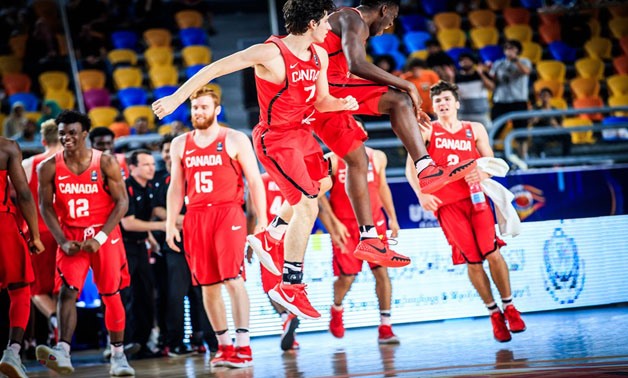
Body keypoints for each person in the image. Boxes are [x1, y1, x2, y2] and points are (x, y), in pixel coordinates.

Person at [152, 0, 358, 326]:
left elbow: (321, 100)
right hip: (274, 139)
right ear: (311, 24)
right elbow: (213, 69)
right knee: (308, 207)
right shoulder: (270, 54)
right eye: (325, 22)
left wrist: (342, 102)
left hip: (301, 135)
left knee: (325, 182)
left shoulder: (318, 55)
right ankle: (290, 284)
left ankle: (271, 235)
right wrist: (177, 98)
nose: (329, 28)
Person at [247, 0, 476, 284]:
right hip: (324, 93)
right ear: (384, 9)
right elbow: (356, 64)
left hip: (323, 101)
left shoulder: (351, 27)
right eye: (392, 17)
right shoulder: (351, 18)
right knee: (399, 98)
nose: (391, 25)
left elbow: (350, 69)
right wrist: (405, 86)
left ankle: (364, 237)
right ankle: (426, 168)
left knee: (358, 161)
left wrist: (401, 106)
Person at [405, 81, 526, 343]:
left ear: (457, 103)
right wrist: (422, 193)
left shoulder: (475, 129)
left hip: (476, 198)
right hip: (448, 205)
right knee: (473, 260)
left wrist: (483, 172)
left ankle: (510, 306)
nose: (443, 104)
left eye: (447, 99)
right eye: (437, 101)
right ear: (433, 107)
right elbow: (410, 167)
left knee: (492, 252)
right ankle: (494, 314)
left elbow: (490, 162)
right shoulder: (427, 130)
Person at [160, 86, 268, 368]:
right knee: (207, 286)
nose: (199, 112)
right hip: (195, 216)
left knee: (233, 279)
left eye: (204, 107)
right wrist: (171, 222)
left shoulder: (234, 138)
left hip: (228, 213)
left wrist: (262, 220)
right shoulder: (179, 143)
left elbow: (255, 181)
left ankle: (244, 347)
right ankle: (224, 346)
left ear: (217, 109)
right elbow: (175, 187)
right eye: (195, 108)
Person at [35, 110, 135, 376]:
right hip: (71, 236)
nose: (67, 138)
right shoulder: (48, 167)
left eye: (72, 133)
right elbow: (45, 208)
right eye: (62, 133)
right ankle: (63, 352)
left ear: (84, 134)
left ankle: (118, 355)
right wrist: (62, 240)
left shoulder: (106, 162)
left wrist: (100, 237)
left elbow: (122, 202)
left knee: (111, 294)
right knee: (67, 292)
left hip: (104, 235)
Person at [318, 134, 400, 344]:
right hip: (347, 225)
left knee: (382, 272)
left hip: (375, 223)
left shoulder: (377, 157)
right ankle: (336, 308)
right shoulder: (333, 159)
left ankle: (385, 325)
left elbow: (382, 187)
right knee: (347, 277)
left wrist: (392, 218)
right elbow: (318, 194)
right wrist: (334, 223)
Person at [152, 134, 218, 357]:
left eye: (172, 149)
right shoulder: (160, 178)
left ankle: (210, 340)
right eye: (165, 150)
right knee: (175, 294)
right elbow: (157, 209)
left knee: (203, 293)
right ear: (162, 154)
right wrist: (179, 219)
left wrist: (185, 219)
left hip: (200, 242)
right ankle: (175, 342)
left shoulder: (194, 172)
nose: (169, 154)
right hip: (176, 246)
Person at [0, 138, 45, 378]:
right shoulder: (6, 147)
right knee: (19, 290)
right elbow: (25, 195)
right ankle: (13, 352)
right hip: (3, 225)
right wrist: (35, 236)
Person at [245, 172, 301, 351]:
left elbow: (251, 214)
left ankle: (287, 318)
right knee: (290, 285)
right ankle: (291, 331)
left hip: (270, 239)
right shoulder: (294, 177)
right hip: (294, 239)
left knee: (271, 289)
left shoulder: (258, 180)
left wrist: (250, 243)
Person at [119, 149, 165, 356]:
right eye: (146, 164)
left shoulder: (149, 187)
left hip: (140, 246)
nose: (151, 168)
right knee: (126, 295)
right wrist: (164, 226)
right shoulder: (126, 187)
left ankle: (144, 343)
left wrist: (151, 237)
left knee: (146, 294)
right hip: (124, 247)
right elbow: (128, 223)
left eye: (152, 164)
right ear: (132, 167)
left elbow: (152, 211)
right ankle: (125, 343)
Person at [21, 119, 63, 346]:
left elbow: (15, 197)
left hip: (38, 233)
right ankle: (60, 333)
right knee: (62, 286)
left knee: (35, 289)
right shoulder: (70, 163)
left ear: (43, 139)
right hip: (64, 233)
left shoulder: (30, 164)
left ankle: (55, 320)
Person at [488, 40, 532, 157]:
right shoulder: (498, 64)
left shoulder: (524, 61)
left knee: (521, 132)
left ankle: (523, 158)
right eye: (507, 48)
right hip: (501, 101)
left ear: (517, 50)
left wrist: (515, 60)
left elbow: (526, 71)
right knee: (494, 130)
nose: (509, 50)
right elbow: (493, 81)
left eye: (512, 48)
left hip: (518, 101)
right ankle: (489, 157)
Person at [454, 52, 493, 130]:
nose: (464, 62)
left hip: (480, 114)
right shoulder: (456, 77)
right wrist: (451, 78)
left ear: (473, 61)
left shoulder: (481, 75)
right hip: (463, 114)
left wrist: (481, 74)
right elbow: (453, 93)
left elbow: (491, 87)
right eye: (461, 60)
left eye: (466, 60)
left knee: (485, 136)